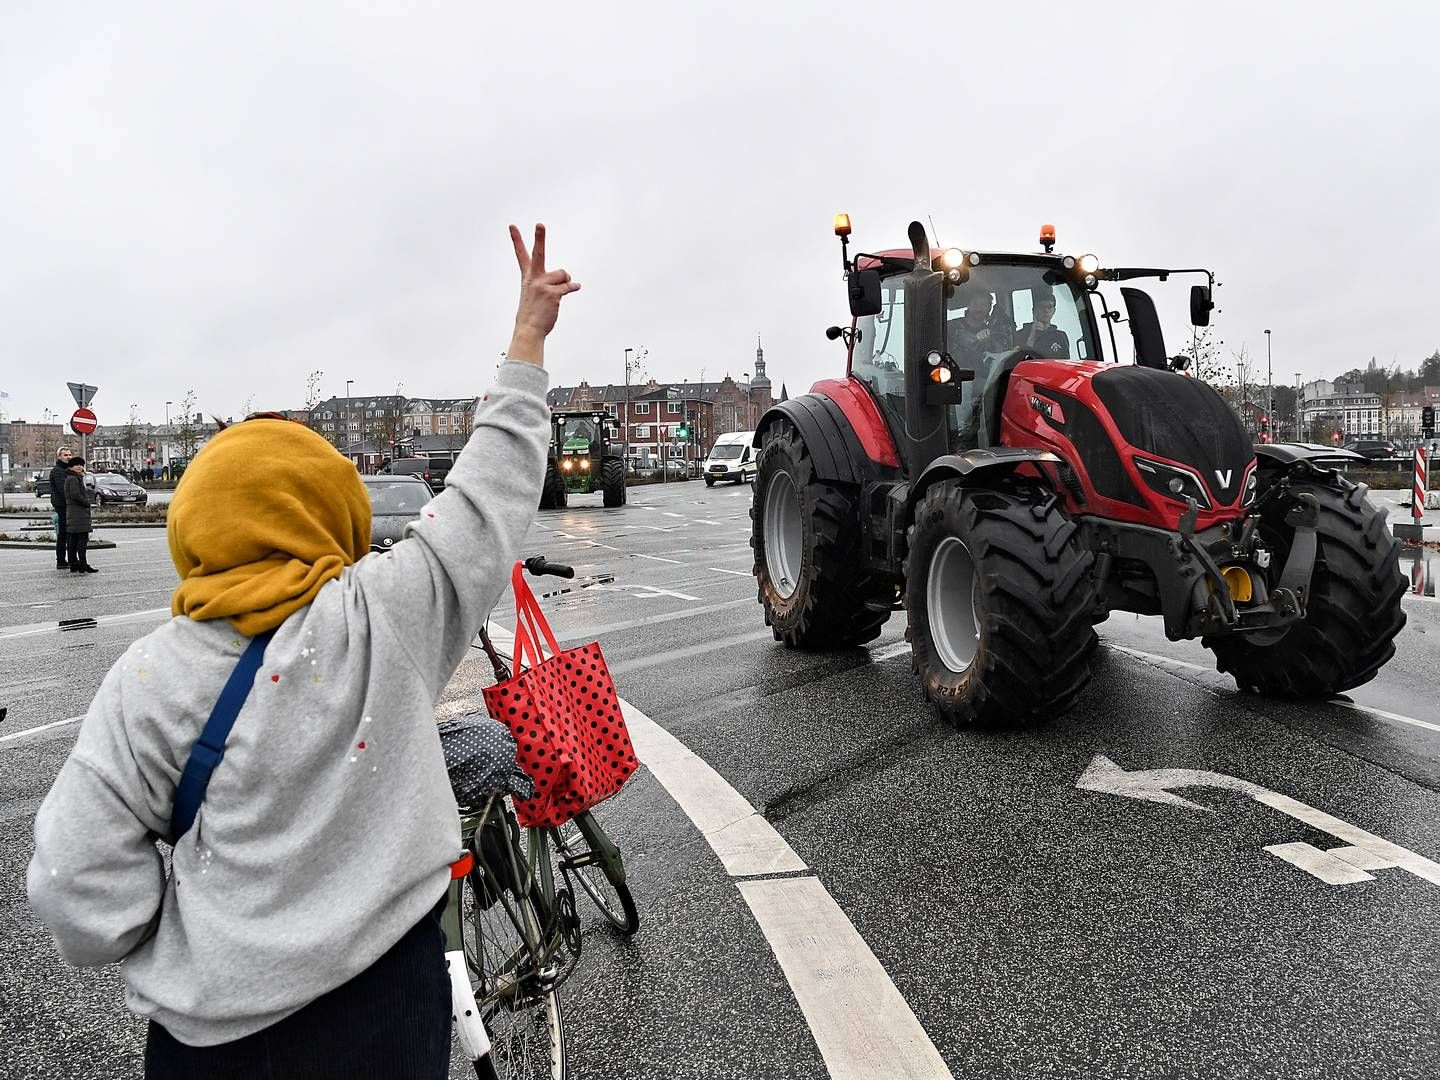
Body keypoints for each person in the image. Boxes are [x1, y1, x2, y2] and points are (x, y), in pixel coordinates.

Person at [27, 224, 580, 1079]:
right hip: (386, 1006)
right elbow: (488, 496)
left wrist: (194, 941)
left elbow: (74, 884)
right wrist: (525, 342)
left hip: (213, 1037)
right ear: (334, 512)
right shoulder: (385, 614)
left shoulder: (148, 680)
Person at [950, 286, 1013, 365]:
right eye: (975, 303)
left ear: (989, 308)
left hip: (982, 375)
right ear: (968, 305)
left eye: (983, 304)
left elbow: (997, 359)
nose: (979, 308)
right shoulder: (951, 327)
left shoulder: (992, 333)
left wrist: (988, 343)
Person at [62, 457, 98, 574]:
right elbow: (75, 495)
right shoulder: (73, 478)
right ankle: (83, 564)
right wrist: (86, 503)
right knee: (82, 540)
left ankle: (74, 564)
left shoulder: (72, 477)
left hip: (74, 513)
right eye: (76, 465)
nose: (79, 466)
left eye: (81, 464)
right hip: (78, 513)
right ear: (71, 467)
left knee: (73, 540)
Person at [1015, 287, 1071, 359]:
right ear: (1034, 310)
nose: (1046, 310)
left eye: (1049, 307)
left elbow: (1065, 363)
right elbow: (1019, 361)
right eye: (1042, 306)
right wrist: (1032, 335)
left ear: (1054, 311)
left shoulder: (1060, 337)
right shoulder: (1020, 335)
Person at [49, 446, 73, 569]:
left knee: (67, 533)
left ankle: (68, 559)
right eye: (65, 455)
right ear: (59, 457)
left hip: (65, 505)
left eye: (69, 455)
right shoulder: (58, 470)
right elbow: (63, 489)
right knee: (63, 533)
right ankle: (61, 560)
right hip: (62, 505)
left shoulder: (66, 469)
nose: (68, 457)